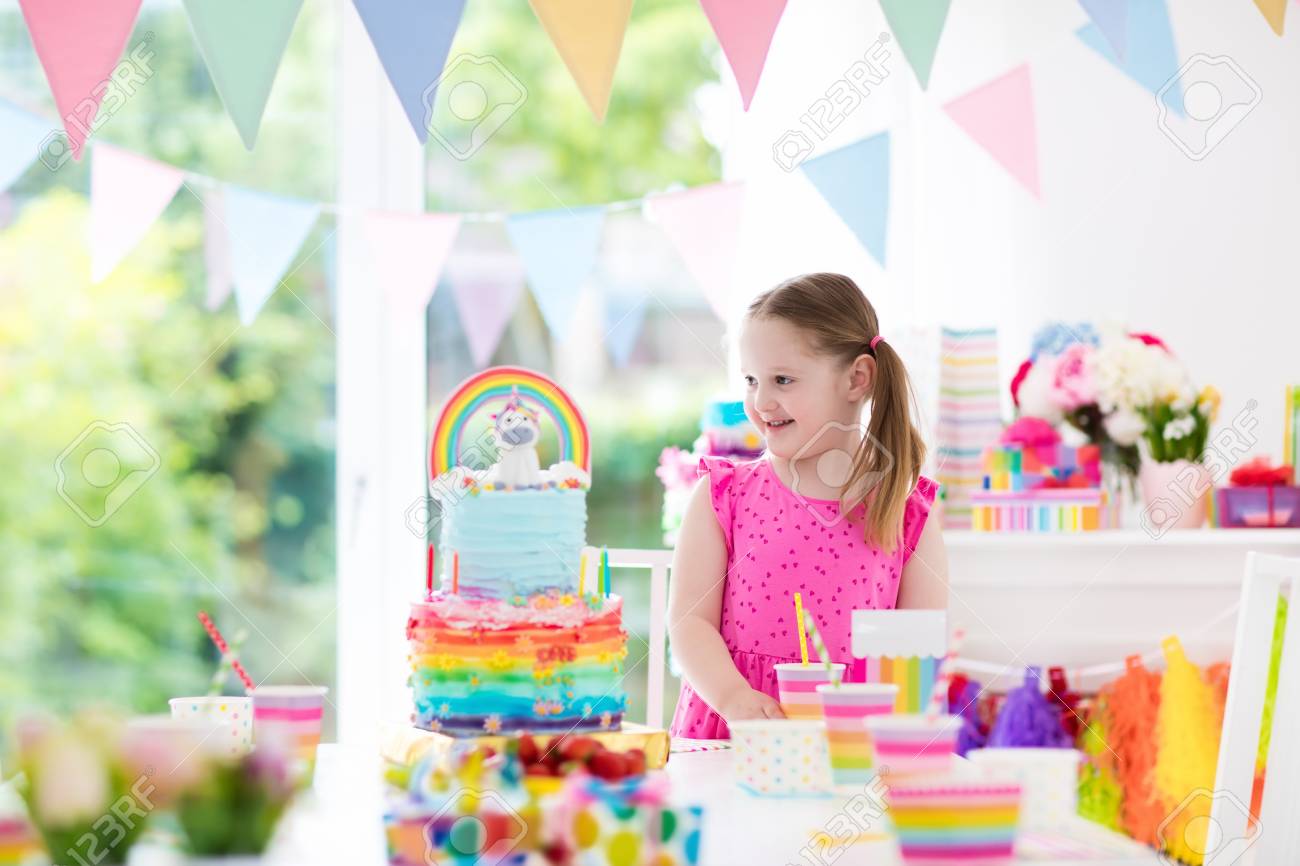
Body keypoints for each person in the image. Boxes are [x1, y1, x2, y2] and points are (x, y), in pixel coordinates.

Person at [667, 272, 948, 738]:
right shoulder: (723, 497)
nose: (761, 401)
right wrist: (733, 698)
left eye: (782, 380)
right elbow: (689, 620)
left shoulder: (908, 514)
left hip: (850, 747)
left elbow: (916, 654)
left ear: (857, 378)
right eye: (752, 380)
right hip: (733, 738)